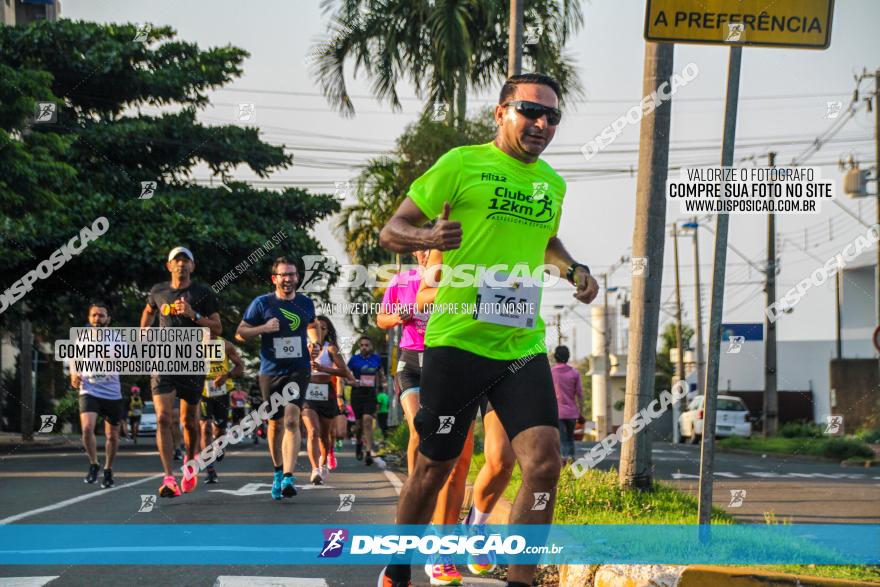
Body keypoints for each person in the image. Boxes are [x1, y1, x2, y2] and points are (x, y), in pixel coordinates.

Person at [376, 73, 599, 587]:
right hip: (458, 342)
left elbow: (546, 240)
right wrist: (427, 235)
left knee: (544, 463)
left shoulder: (552, 183)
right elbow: (394, 228)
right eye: (530, 111)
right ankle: (399, 562)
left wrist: (572, 269)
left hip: (520, 345)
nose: (542, 123)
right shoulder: (461, 163)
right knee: (436, 464)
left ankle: (522, 578)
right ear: (501, 113)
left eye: (552, 116)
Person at [140, 246, 222, 498]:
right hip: (164, 359)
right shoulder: (158, 291)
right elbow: (148, 311)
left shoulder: (203, 293)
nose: (181, 265)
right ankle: (168, 478)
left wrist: (193, 314)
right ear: (169, 266)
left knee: (189, 421)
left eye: (186, 261)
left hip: (192, 360)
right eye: (177, 261)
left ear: (192, 267)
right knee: (164, 417)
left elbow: (217, 327)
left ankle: (190, 462)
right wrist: (144, 333)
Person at [236, 257, 316, 500]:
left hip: (298, 368)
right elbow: (240, 333)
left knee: (292, 420)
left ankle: (290, 477)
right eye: (283, 275)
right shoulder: (261, 304)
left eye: (292, 274)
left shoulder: (306, 303)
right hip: (270, 371)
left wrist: (315, 341)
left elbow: (313, 325)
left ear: (297, 278)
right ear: (275, 279)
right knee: (275, 423)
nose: (288, 279)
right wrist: (262, 328)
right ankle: (278, 471)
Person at [70, 302, 123, 489]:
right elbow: (74, 360)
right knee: (86, 429)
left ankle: (108, 469)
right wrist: (74, 374)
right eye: (94, 315)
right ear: (89, 318)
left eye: (101, 315)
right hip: (89, 389)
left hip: (111, 393)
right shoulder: (81, 339)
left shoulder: (117, 338)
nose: (97, 318)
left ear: (107, 319)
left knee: (113, 436)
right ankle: (94, 463)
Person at [304, 315, 354, 484]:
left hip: (326, 392)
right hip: (307, 393)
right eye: (315, 328)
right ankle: (315, 469)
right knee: (312, 432)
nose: (319, 331)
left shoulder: (331, 349)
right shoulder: (303, 347)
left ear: (327, 331)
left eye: (323, 328)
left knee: (325, 436)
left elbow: (345, 372)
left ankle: (323, 463)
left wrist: (323, 368)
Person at [200, 334, 244, 483]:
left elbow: (240, 367)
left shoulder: (225, 344)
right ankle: (210, 469)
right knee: (205, 427)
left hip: (222, 391)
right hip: (203, 392)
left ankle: (219, 445)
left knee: (219, 429)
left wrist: (228, 375)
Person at [346, 336, 386, 466]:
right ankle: (359, 442)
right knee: (358, 424)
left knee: (368, 421)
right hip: (357, 394)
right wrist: (353, 382)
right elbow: (345, 377)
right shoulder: (353, 360)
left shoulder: (376, 359)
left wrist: (381, 390)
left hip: (371, 394)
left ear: (371, 346)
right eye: (362, 345)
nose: (364, 347)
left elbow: (381, 375)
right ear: (359, 346)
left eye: (367, 345)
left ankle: (368, 452)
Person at [551, 345, 583, 463]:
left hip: (557, 412)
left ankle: (564, 461)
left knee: (562, 439)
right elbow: (579, 394)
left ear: (555, 357)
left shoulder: (551, 372)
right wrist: (581, 412)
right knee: (570, 438)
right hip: (572, 413)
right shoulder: (574, 373)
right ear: (568, 357)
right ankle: (572, 461)